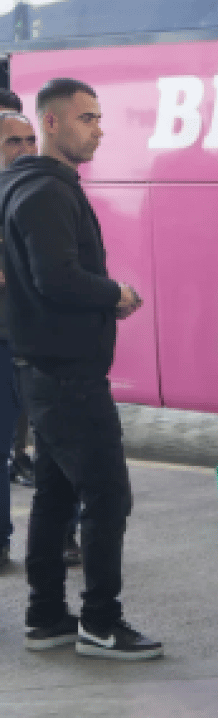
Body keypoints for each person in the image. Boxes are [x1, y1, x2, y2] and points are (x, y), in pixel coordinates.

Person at [1, 78, 162, 659]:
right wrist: (114, 292)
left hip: (43, 369)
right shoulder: (45, 191)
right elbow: (57, 278)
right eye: (87, 118)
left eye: (98, 117)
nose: (99, 128)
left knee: (54, 494)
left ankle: (46, 616)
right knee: (107, 497)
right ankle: (100, 622)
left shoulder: (27, 183)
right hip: (68, 375)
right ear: (51, 123)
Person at [0, 110, 35, 570]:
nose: (25, 151)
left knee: (56, 443)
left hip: (39, 341)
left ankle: (65, 534)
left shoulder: (43, 194)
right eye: (13, 143)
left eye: (30, 141)